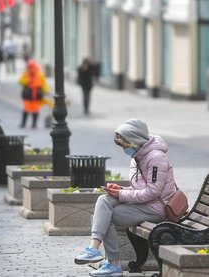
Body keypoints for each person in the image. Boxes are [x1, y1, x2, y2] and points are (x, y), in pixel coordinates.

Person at [74, 119, 176, 277]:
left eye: (125, 145)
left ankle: (113, 264)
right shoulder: (138, 156)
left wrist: (122, 194)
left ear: (135, 141)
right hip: (145, 203)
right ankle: (94, 249)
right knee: (104, 200)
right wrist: (120, 190)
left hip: (157, 208)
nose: (124, 149)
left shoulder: (155, 157)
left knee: (108, 217)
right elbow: (139, 188)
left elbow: (153, 192)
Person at [19, 59, 48, 128]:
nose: (30, 68)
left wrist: (45, 91)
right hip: (28, 93)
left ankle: (33, 124)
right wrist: (26, 81)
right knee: (27, 109)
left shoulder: (39, 74)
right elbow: (20, 81)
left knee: (35, 109)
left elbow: (43, 83)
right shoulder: (26, 73)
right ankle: (24, 124)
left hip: (35, 94)